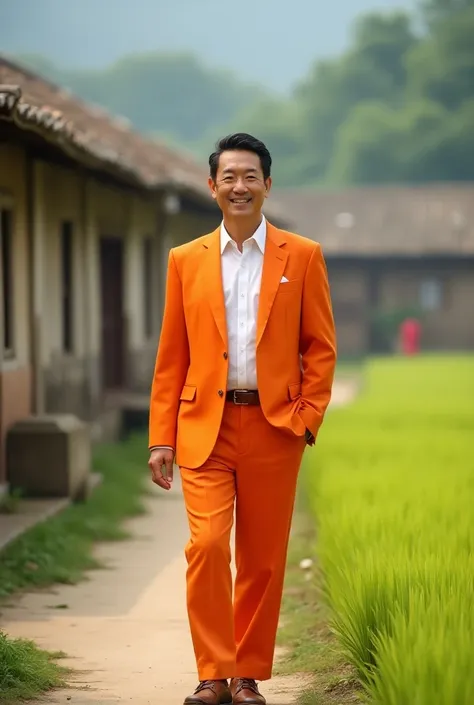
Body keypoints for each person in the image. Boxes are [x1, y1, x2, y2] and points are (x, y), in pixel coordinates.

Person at [148, 133, 337, 705]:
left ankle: (247, 676)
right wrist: (162, 437)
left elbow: (320, 347)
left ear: (267, 185)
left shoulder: (302, 256)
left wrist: (305, 418)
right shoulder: (185, 261)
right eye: (228, 177)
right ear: (212, 187)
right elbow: (171, 354)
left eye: (249, 176)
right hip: (203, 425)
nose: (239, 187)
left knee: (262, 558)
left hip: (274, 427)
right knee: (207, 546)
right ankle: (212, 673)